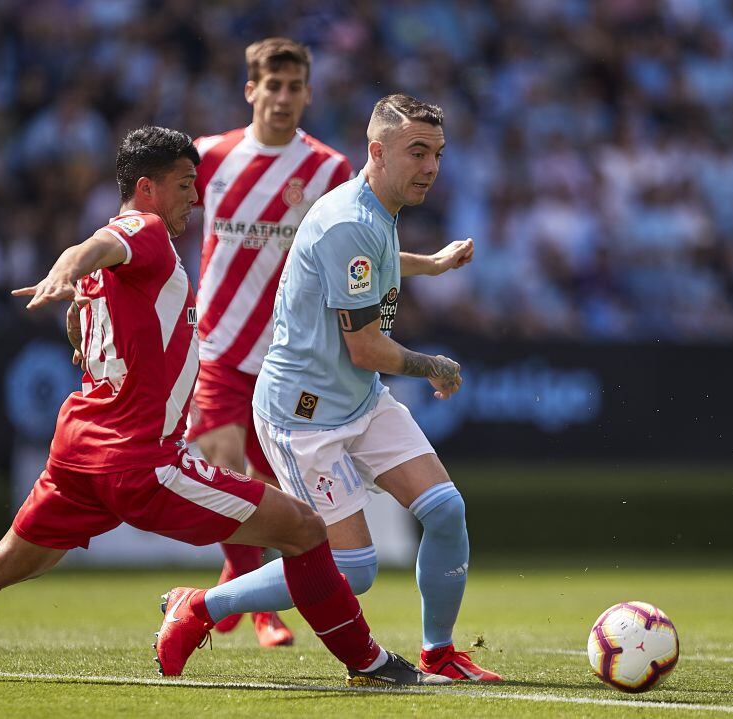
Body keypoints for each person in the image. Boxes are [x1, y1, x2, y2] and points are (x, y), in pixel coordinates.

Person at [0, 125, 449, 688]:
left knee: (3, 562)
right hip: (141, 461)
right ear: (146, 187)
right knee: (306, 528)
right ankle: (367, 661)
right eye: (184, 184)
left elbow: (95, 285)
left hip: (78, 453)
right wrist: (67, 265)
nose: (196, 196)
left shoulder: (119, 260)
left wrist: (72, 282)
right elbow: (102, 244)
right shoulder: (141, 229)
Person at [165, 94, 503, 682]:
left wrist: (435, 263)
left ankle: (439, 653)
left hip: (359, 399)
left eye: (438, 154)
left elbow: (375, 261)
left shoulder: (371, 210)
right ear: (377, 151)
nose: (430, 167)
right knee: (353, 569)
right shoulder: (351, 219)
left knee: (446, 511)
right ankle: (199, 606)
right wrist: (435, 368)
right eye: (417, 152)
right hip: (304, 417)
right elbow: (366, 346)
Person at [185, 37, 353, 648]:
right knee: (227, 470)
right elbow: (155, 226)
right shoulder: (209, 156)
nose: (282, 98)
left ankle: (235, 576)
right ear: (251, 89)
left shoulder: (331, 171)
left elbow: (354, 256)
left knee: (280, 495)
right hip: (217, 351)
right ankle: (263, 611)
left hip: (287, 357)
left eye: (294, 87)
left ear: (308, 93)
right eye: (271, 86)